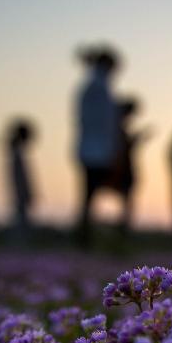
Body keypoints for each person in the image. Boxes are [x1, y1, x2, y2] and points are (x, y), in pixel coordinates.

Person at [75, 44, 121, 246]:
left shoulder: (93, 85)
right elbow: (104, 122)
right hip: (97, 150)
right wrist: (113, 149)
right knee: (90, 196)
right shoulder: (98, 87)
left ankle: (88, 237)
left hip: (91, 148)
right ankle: (86, 238)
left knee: (89, 196)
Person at [112, 98, 151, 234]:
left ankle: (122, 230)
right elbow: (124, 145)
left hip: (123, 166)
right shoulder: (115, 126)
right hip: (119, 167)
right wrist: (138, 139)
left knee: (127, 202)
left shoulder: (118, 126)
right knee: (127, 201)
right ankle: (122, 231)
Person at [5, 118, 36, 240]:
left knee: (21, 220)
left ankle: (19, 242)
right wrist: (26, 192)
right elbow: (19, 177)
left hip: (20, 193)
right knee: (21, 221)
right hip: (20, 193)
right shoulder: (16, 154)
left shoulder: (16, 153)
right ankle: (18, 243)